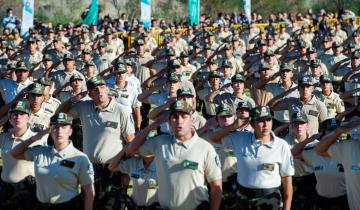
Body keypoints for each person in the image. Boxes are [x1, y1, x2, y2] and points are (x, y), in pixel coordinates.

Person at [126, 100, 222, 210]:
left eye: (184, 116)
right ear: (170, 121)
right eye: (175, 117)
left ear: (192, 119)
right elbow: (132, 149)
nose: (179, 121)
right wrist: (153, 125)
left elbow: (216, 186)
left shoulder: (205, 148)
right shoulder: (159, 142)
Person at [10, 112, 95, 210]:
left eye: (64, 127)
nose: (59, 131)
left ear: (70, 131)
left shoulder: (80, 158)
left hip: (68, 206)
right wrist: (33, 138)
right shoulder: (40, 152)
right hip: (42, 206)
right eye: (56, 127)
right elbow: (14, 154)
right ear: (50, 131)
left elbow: (89, 193)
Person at [222, 106, 294, 210]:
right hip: (243, 198)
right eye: (260, 121)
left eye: (268, 120)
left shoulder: (281, 145)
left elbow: (287, 180)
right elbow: (213, 137)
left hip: (270, 199)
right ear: (252, 124)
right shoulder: (240, 138)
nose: (266, 125)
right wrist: (233, 126)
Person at [292, 118, 348, 210]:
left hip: (343, 201)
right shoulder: (314, 152)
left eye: (336, 131)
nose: (333, 134)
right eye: (330, 130)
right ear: (323, 133)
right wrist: (309, 140)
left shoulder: (347, 150)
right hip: (322, 202)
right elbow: (293, 154)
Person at [0, 100, 47, 210]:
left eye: (22, 114)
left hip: (26, 192)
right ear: (10, 118)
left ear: (29, 117)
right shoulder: (4, 137)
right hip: (4, 190)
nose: (18, 117)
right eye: (15, 114)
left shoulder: (37, 139)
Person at [316, 117, 360, 210]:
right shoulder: (348, 147)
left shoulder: (348, 144)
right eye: (329, 130)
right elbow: (320, 150)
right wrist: (338, 131)